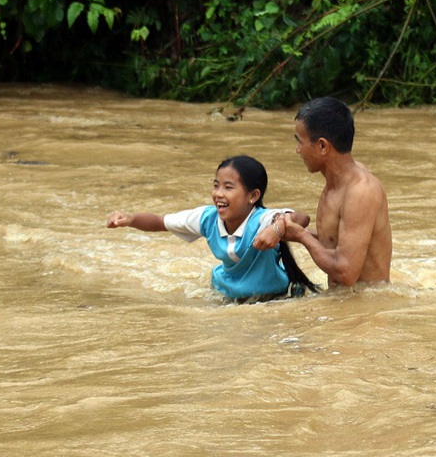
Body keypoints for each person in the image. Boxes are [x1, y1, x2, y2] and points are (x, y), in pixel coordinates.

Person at [106, 155, 318, 303]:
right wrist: (130, 219)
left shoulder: (262, 220)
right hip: (226, 293)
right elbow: (161, 222)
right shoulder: (207, 218)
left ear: (253, 196)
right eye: (216, 185)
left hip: (272, 297)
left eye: (228, 187)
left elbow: (301, 218)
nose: (218, 194)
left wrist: (277, 229)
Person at [280, 97, 392, 287]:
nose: (297, 150)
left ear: (323, 146)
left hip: (367, 310)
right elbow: (336, 241)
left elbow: (346, 272)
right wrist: (294, 232)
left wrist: (302, 236)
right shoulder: (337, 183)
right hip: (347, 303)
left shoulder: (361, 191)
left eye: (300, 142)